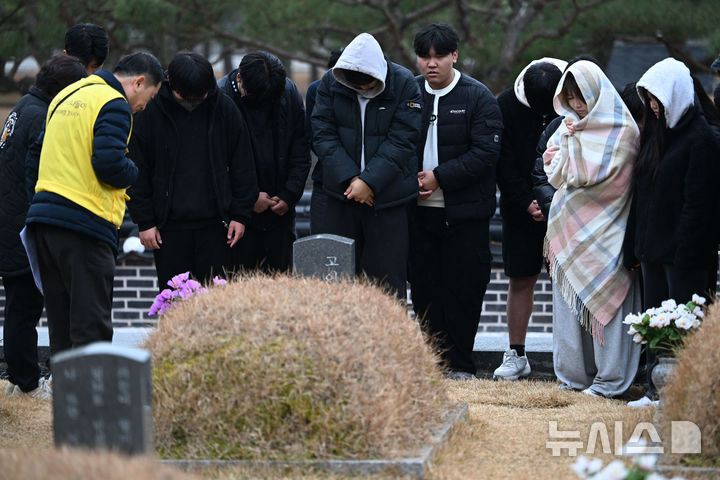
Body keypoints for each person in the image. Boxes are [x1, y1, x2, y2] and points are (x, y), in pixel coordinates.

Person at [25, 52, 163, 360]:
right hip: (84, 225)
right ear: (138, 83)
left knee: (61, 328)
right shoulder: (114, 103)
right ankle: (95, 406)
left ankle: (67, 402)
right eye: (149, 97)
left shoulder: (67, 94)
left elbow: (35, 155)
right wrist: (134, 173)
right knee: (91, 328)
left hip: (44, 222)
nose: (143, 107)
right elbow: (110, 163)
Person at [406, 23, 502, 379]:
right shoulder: (408, 92)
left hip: (464, 215)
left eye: (439, 56)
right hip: (418, 213)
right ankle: (433, 363)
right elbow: (397, 144)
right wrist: (408, 180)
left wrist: (439, 177)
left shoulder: (478, 97)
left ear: (454, 56)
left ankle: (461, 365)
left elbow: (485, 153)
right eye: (424, 56)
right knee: (424, 290)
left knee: (464, 290)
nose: (431, 63)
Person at [543, 60, 642, 398]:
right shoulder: (569, 126)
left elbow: (589, 177)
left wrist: (568, 149)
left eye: (581, 97)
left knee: (608, 309)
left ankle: (609, 380)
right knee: (570, 311)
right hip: (569, 230)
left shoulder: (624, 131)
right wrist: (566, 146)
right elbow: (555, 173)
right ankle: (573, 377)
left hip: (609, 230)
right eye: (569, 98)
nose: (576, 105)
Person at [626, 58, 720, 407]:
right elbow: (644, 195)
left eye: (657, 99)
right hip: (654, 250)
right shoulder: (656, 135)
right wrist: (638, 247)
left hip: (684, 255)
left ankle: (683, 393)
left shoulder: (701, 139)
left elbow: (699, 205)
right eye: (648, 99)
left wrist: (684, 253)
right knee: (656, 322)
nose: (652, 106)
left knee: (684, 325)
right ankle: (655, 389)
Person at [128, 51, 257, 289]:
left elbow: (243, 165)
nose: (196, 101)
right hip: (168, 227)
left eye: (202, 95)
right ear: (171, 84)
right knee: (174, 301)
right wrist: (144, 220)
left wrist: (240, 215)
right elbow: (137, 170)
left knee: (217, 303)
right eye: (188, 96)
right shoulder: (150, 110)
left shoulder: (224, 108)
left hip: (218, 226)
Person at [0, 55, 87, 400]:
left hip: (8, 219)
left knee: (18, 306)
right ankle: (26, 383)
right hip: (20, 225)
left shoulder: (25, 105)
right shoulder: (43, 117)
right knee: (24, 307)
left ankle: (19, 377)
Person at [311, 32, 422, 299]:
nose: (362, 88)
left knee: (386, 282)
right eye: (356, 84)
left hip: (388, 199)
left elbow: (404, 139)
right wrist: (351, 179)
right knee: (334, 279)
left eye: (368, 83)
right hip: (340, 195)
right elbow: (321, 133)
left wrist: (369, 182)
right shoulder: (330, 83)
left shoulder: (404, 82)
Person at [493, 58, 564, 380]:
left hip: (568, 208)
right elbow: (502, 161)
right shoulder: (506, 104)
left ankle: (571, 356)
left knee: (568, 286)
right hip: (520, 207)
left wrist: (553, 201)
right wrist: (525, 202)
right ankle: (516, 352)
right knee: (521, 279)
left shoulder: (577, 98)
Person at [218, 51, 310, 272]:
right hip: (236, 219)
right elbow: (216, 165)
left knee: (279, 288)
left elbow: (300, 150)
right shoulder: (220, 99)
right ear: (239, 78)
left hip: (280, 211)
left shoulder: (287, 92)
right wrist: (248, 198)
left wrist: (290, 194)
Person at [306, 48, 343, 235]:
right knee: (323, 244)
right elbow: (316, 138)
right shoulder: (317, 89)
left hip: (365, 181)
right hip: (326, 179)